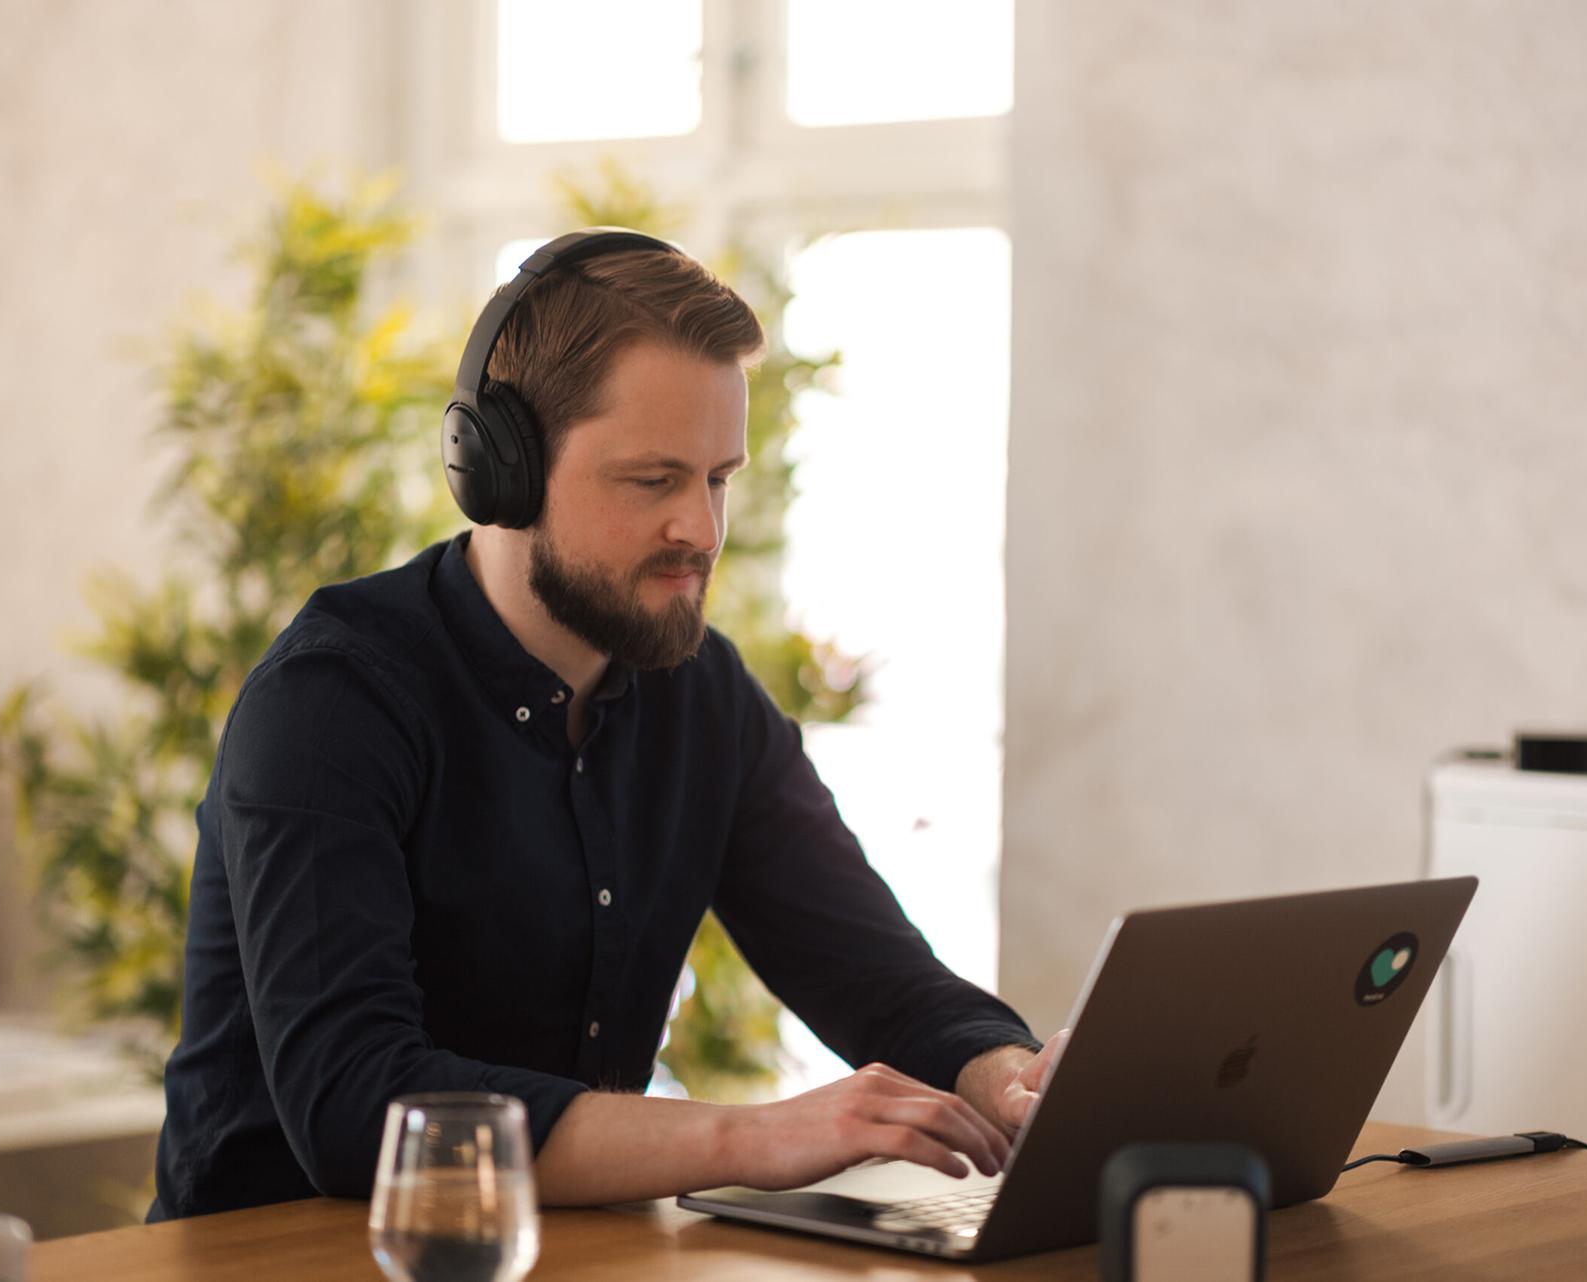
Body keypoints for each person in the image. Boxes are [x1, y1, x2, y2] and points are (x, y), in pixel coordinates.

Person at [149, 230, 1065, 1221]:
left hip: (562, 1253)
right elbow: (356, 1106)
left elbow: (877, 978)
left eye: (717, 478)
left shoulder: (704, 696)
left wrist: (1012, 1079)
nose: (701, 530)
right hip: (287, 1258)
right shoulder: (332, 700)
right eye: (652, 480)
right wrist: (750, 1137)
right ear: (501, 468)